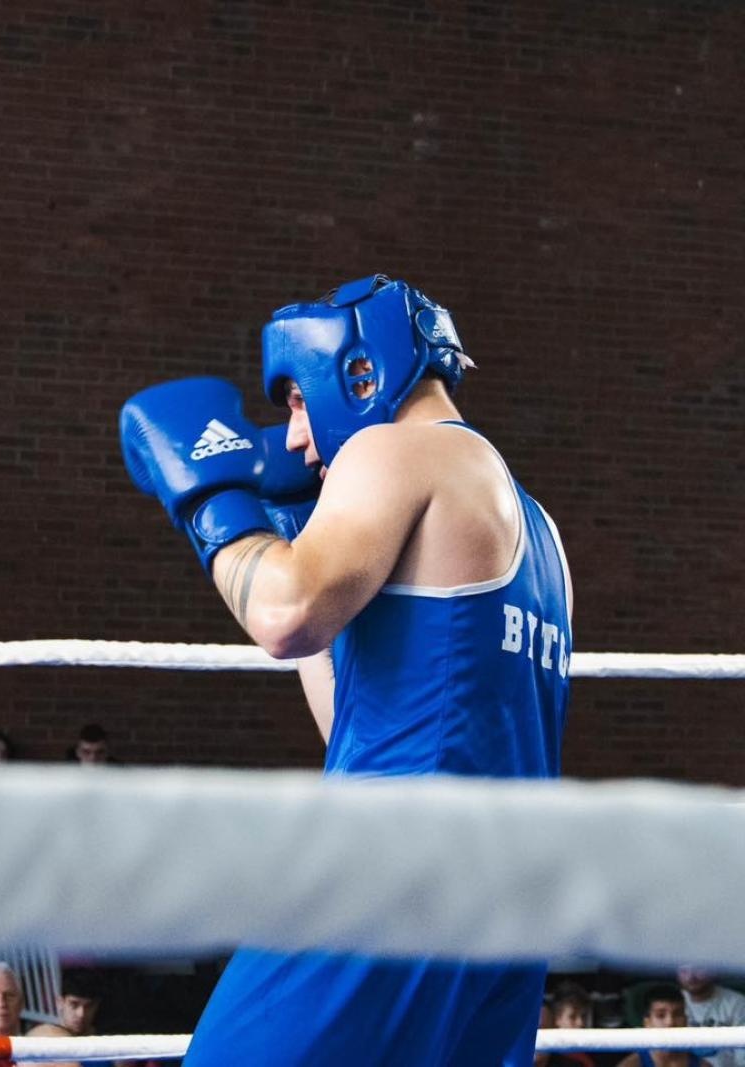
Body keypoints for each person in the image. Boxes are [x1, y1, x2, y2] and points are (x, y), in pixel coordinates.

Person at [120, 274, 573, 1066]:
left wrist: (215, 508)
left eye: (295, 400)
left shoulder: (395, 449)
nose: (295, 439)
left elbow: (283, 613)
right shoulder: (540, 530)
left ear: (357, 372)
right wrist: (296, 523)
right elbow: (361, 725)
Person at [613, 984, 702, 1067]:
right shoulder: (631, 1065)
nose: (670, 1022)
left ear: (685, 1021)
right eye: (661, 1015)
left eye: (677, 1014)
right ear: (647, 1023)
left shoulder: (702, 1065)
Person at [676, 966, 745, 1067]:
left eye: (698, 968)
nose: (691, 976)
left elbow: (742, 1058)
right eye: (684, 970)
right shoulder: (669, 1003)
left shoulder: (738, 1003)